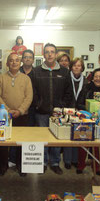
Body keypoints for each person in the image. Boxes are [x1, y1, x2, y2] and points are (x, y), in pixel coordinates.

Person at [30, 43, 72, 175]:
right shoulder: (36, 71)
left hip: (58, 113)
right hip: (41, 112)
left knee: (57, 138)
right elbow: (33, 91)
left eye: (52, 52)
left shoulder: (65, 72)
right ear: (43, 54)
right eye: (47, 52)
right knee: (42, 138)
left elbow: (68, 92)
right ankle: (42, 162)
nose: (49, 54)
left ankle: (54, 163)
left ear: (56, 54)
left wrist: (62, 106)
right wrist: (38, 104)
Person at [0, 53, 33, 176]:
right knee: (3, 142)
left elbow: (29, 97)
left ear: (20, 63)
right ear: (7, 63)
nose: (14, 62)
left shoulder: (26, 79)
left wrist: (20, 110)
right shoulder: (1, 78)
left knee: (21, 143)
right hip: (4, 116)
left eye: (17, 60)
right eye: (11, 60)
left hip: (22, 116)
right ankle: (3, 166)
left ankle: (21, 166)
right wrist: (8, 110)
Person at [77, 68, 100, 174]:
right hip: (86, 119)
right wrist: (90, 109)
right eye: (96, 76)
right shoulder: (86, 88)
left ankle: (97, 167)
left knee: (98, 145)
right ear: (92, 78)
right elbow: (78, 103)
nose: (98, 79)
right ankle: (81, 165)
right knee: (83, 143)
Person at [65, 58, 87, 171]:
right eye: (74, 65)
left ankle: (75, 160)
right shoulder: (66, 78)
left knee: (77, 136)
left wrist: (82, 109)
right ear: (71, 67)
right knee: (69, 137)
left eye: (79, 65)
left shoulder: (86, 80)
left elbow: (86, 97)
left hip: (80, 112)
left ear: (82, 67)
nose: (77, 67)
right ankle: (67, 160)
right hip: (68, 111)